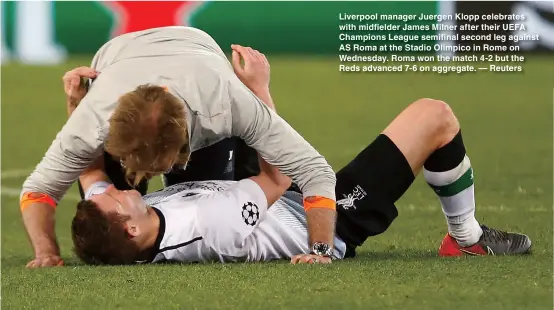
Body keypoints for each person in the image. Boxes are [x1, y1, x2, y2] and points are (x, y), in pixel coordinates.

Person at [71, 94, 532, 265]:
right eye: (114, 199)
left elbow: (90, 173)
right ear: (131, 227)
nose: (113, 190)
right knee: (435, 117)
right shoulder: (213, 224)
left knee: (173, 105)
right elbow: (283, 169)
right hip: (312, 215)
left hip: (250, 191)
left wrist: (78, 103)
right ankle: (466, 237)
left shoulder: (129, 222)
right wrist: (258, 91)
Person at [21, 27, 337, 268]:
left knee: (211, 187)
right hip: (118, 59)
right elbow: (38, 190)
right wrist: (46, 253)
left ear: (183, 147)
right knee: (106, 220)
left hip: (200, 63)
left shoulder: (226, 103)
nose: (140, 176)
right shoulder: (96, 117)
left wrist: (321, 250)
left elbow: (315, 171)